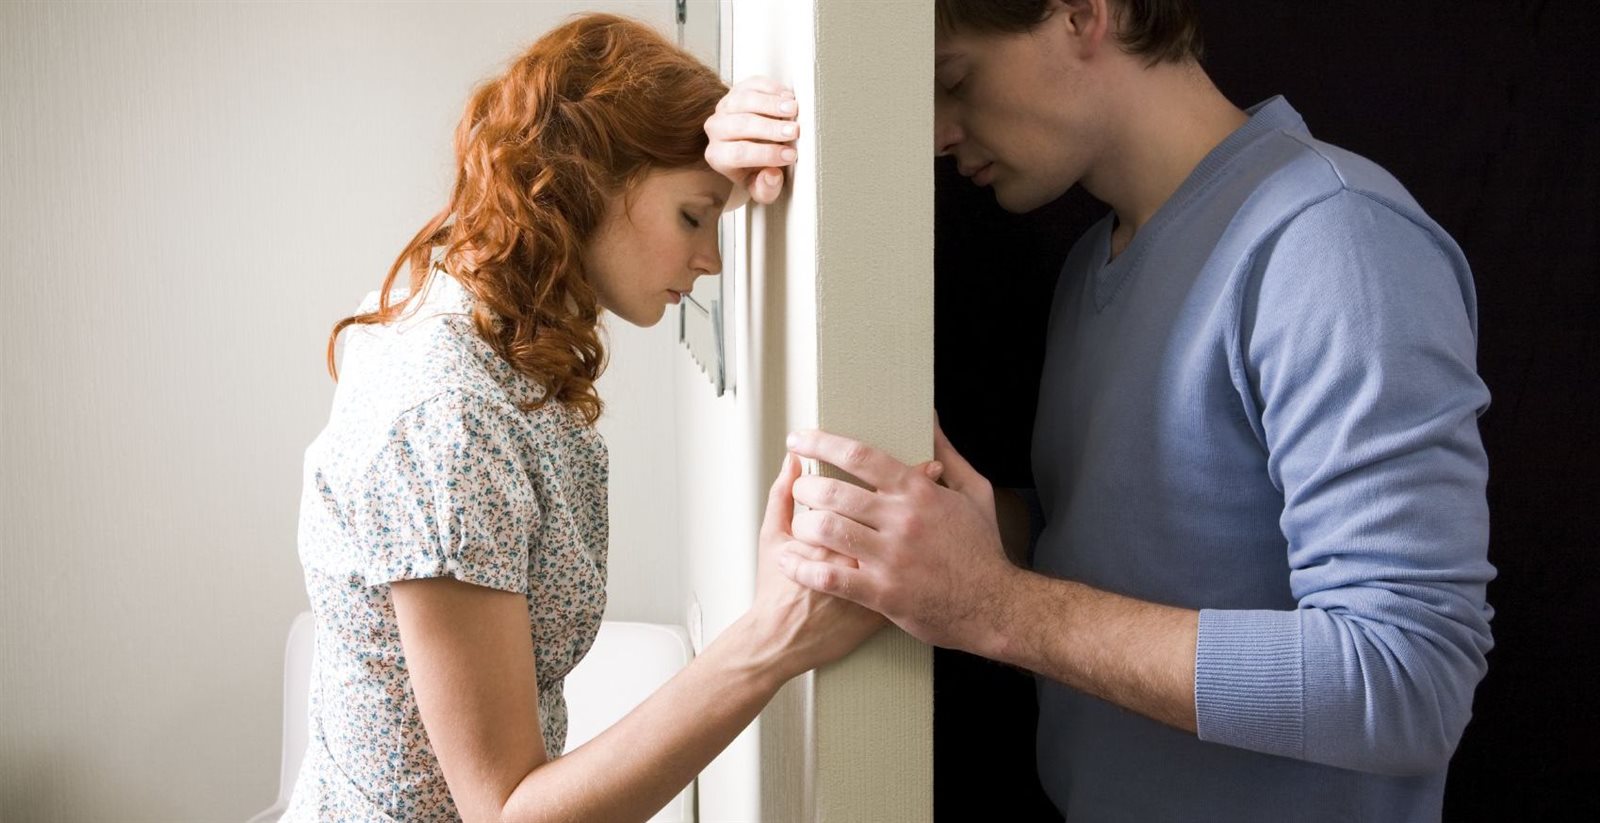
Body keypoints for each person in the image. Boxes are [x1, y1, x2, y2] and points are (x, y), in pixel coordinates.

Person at [705, 0, 1496, 820]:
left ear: (1084, 14)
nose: (936, 132)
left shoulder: (1333, 239)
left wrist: (992, 605)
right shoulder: (1097, 263)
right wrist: (961, 534)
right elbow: (1140, 547)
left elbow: (1406, 679)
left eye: (955, 79)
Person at [287, 14, 892, 822]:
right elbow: (507, 811)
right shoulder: (449, 418)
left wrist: (724, 128)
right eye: (693, 217)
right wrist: (772, 639)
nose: (712, 259)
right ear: (586, 181)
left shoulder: (471, 330)